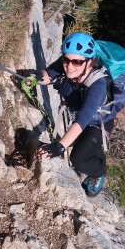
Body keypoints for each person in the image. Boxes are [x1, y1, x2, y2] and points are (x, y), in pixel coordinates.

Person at [35, 32, 114, 197]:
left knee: (78, 159)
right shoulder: (69, 61)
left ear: (89, 61)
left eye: (77, 62)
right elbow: (49, 75)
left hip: (98, 122)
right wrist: (35, 77)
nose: (69, 66)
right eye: (66, 60)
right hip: (80, 113)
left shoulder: (98, 84)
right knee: (87, 147)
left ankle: (99, 171)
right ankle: (94, 155)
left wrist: (59, 146)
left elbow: (83, 118)